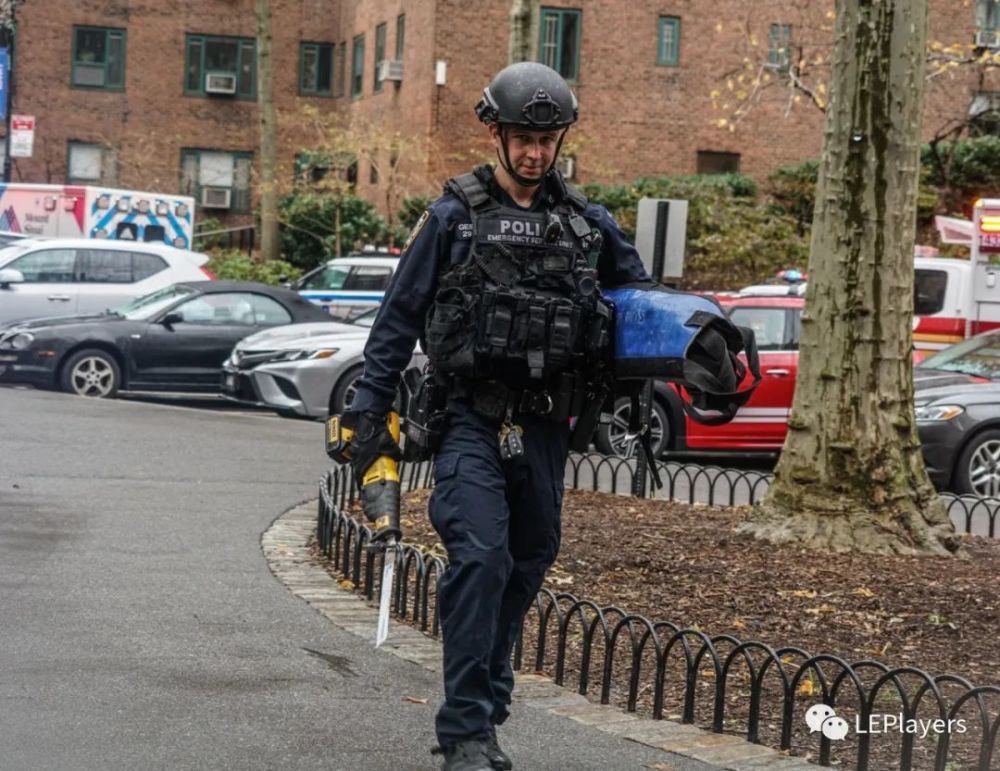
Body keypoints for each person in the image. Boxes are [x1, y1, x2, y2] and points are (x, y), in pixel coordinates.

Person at [343, 62, 651, 771]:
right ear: (496, 135)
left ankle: (486, 699)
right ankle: (465, 730)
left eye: (547, 140)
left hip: (544, 427)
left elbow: (641, 301)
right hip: (468, 421)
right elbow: (397, 320)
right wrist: (368, 414)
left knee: (528, 560)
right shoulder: (453, 216)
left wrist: (704, 341)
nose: (536, 153)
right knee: (480, 556)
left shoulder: (586, 224)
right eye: (523, 138)